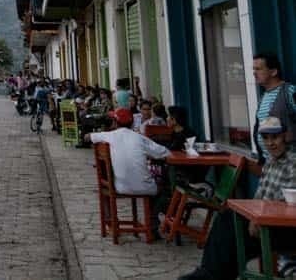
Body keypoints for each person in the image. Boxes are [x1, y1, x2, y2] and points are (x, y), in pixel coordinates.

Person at [178, 116, 296, 280]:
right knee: (227, 218)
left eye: (275, 137)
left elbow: (288, 206)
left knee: (232, 239)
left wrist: (257, 219)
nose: (271, 143)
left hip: (283, 228)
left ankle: (209, 276)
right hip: (263, 222)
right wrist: (252, 216)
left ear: (284, 136)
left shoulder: (293, 163)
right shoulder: (270, 161)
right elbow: (260, 196)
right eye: (266, 138)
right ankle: (209, 272)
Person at [86, 107, 170, 235]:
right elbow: (164, 152)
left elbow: (87, 137)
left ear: (114, 123)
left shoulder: (108, 136)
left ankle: (112, 222)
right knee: (164, 189)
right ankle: (153, 223)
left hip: (120, 187)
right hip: (145, 187)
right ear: (131, 123)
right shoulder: (139, 138)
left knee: (102, 190)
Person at [252, 52, 296, 163]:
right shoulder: (263, 97)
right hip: (269, 164)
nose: (254, 73)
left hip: (289, 164)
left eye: (258, 69)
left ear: (273, 72)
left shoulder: (290, 92)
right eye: (254, 69)